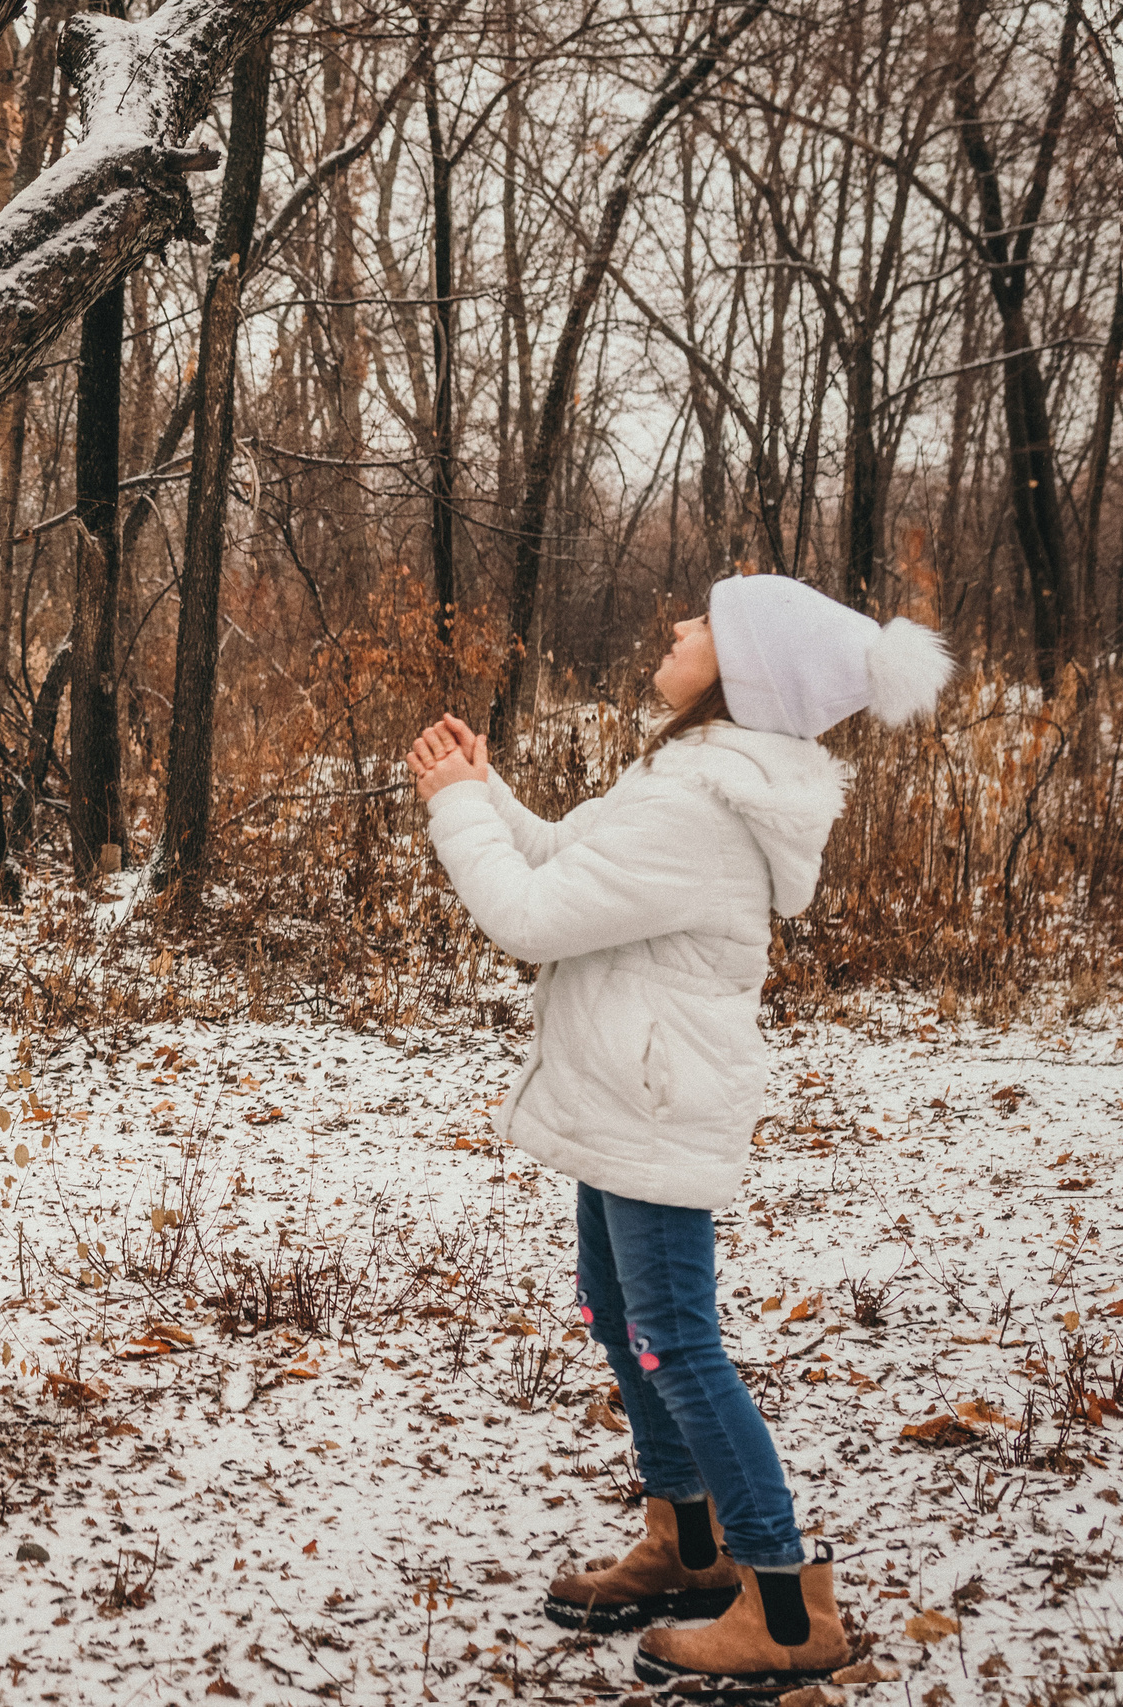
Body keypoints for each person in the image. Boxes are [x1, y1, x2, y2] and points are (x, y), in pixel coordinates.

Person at [406, 575, 951, 1688]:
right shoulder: (686, 779)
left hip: (651, 1105)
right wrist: (488, 790)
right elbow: (569, 865)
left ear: (741, 670)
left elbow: (525, 916)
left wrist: (454, 806)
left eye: (701, 624)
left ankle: (786, 1613)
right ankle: (685, 1547)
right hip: (626, 1093)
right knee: (620, 1316)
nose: (673, 629)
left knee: (675, 1345)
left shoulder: (695, 805)